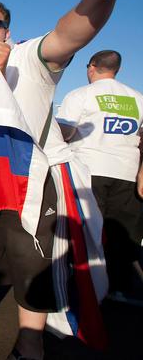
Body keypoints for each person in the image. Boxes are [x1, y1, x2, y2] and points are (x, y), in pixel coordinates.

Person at [0, 0, 127, 360]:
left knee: (32, 270)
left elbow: (69, 35)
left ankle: (30, 342)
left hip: (31, 185)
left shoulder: (28, 57)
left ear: (7, 30)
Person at [57, 50, 143, 303]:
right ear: (116, 69)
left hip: (88, 170)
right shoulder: (137, 98)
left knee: (85, 229)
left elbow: (66, 131)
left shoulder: (81, 95)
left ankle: (81, 284)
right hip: (126, 171)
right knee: (123, 232)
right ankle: (119, 287)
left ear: (91, 67)